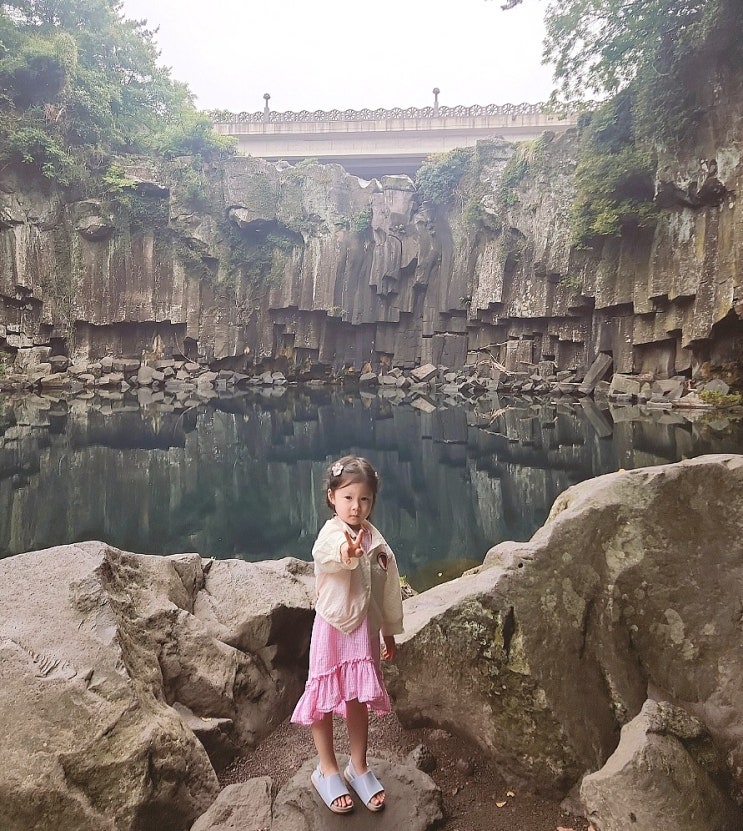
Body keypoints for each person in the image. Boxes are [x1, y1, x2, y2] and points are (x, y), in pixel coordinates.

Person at [291, 455, 404, 814]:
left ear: (372, 501)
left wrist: (388, 630)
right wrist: (348, 551)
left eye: (364, 499)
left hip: (363, 631)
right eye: (348, 498)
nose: (356, 507)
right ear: (332, 497)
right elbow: (327, 555)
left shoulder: (376, 541)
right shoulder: (331, 535)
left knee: (357, 697)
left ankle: (358, 765)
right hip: (334, 627)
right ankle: (326, 769)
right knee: (323, 695)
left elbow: (387, 587)